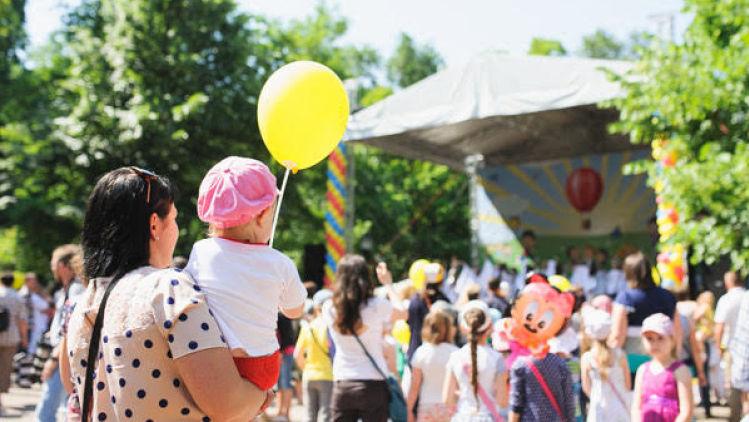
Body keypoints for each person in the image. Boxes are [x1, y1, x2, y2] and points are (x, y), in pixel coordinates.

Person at [63, 167, 270, 421]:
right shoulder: (167, 288)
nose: (176, 230)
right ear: (154, 224)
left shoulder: (84, 303)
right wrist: (263, 395)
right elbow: (227, 404)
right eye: (174, 219)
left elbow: (72, 386)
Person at [185, 156, 306, 395]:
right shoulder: (279, 263)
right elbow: (295, 310)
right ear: (263, 214)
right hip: (260, 366)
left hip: (212, 362)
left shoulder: (200, 251)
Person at [323, 255, 407, 421]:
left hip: (343, 381)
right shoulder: (376, 305)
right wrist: (388, 283)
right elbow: (403, 313)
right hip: (373, 383)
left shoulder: (329, 307)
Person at [609, 252, 681, 376]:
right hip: (664, 361)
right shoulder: (668, 296)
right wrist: (675, 358)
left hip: (632, 362)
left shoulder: (625, 298)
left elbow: (617, 335)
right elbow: (677, 331)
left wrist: (611, 361)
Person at [35, 244, 85, 422]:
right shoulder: (71, 288)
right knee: (67, 410)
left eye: (53, 262)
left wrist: (54, 359)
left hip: (63, 356)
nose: (52, 267)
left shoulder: (76, 289)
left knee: (46, 411)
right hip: (63, 354)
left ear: (63, 265)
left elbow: (70, 330)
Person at [444, 301, 508, 421]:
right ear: (489, 326)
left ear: (463, 328)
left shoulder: (455, 357)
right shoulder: (497, 358)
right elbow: (502, 401)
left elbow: (447, 399)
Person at [631, 313, 693, 422]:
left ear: (672, 340)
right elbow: (636, 407)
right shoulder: (642, 370)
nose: (655, 343)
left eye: (660, 338)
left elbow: (686, 411)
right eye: (650, 339)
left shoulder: (680, 370)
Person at [406, 310, 457, 422]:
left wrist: (408, 410)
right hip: (450, 405)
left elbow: (415, 385)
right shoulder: (455, 352)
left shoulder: (421, 352)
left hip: (427, 405)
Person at [581, 309, 630, 422]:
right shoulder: (620, 354)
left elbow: (586, 387)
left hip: (599, 407)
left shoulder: (587, 358)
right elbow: (627, 385)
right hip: (620, 408)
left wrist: (594, 396)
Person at [295, 289, 334, 422]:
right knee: (325, 415)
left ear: (316, 307)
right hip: (328, 375)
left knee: (309, 416)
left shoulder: (308, 327)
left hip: (309, 375)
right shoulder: (332, 327)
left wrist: (305, 369)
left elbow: (297, 355)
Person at [407, 262, 448, 363]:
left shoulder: (415, 300)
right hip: (435, 357)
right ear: (441, 281)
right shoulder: (443, 301)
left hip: (415, 354)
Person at [0, 272, 28, 416]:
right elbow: (22, 320)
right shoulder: (17, 297)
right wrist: (24, 338)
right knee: (5, 369)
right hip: (11, 337)